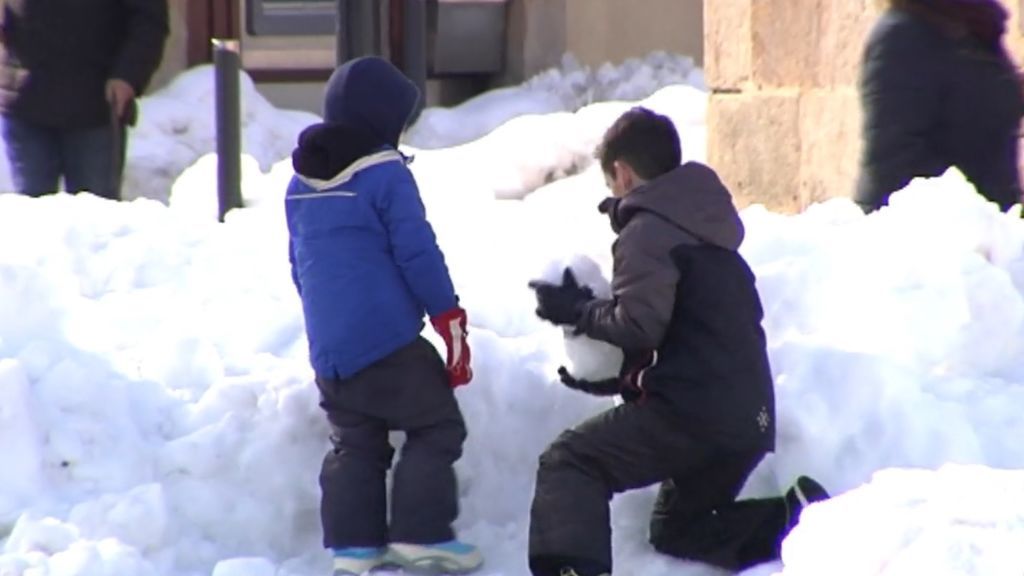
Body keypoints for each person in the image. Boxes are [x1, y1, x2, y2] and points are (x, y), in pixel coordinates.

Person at [527, 107, 827, 576]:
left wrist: (578, 311)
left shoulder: (647, 230)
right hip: (746, 418)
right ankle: (804, 520)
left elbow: (639, 326)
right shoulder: (706, 229)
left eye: (611, 184)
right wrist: (608, 382)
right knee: (678, 529)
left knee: (571, 461)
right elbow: (687, 338)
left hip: (694, 414)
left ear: (622, 174)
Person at [285, 56, 482, 576]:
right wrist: (448, 318)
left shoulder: (299, 183)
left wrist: (328, 327)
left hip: (330, 349)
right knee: (436, 424)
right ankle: (420, 535)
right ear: (382, 121)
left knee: (356, 441)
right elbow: (417, 252)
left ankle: (354, 547)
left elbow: (298, 265)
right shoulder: (385, 176)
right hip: (388, 341)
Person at [856, 0, 1024, 212]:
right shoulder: (902, 35)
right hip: (933, 232)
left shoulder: (975, 26)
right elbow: (892, 161)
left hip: (989, 226)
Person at [0, 0, 169, 200]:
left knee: (97, 218)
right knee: (32, 218)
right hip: (25, 98)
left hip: (95, 104)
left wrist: (128, 76)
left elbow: (149, 21)